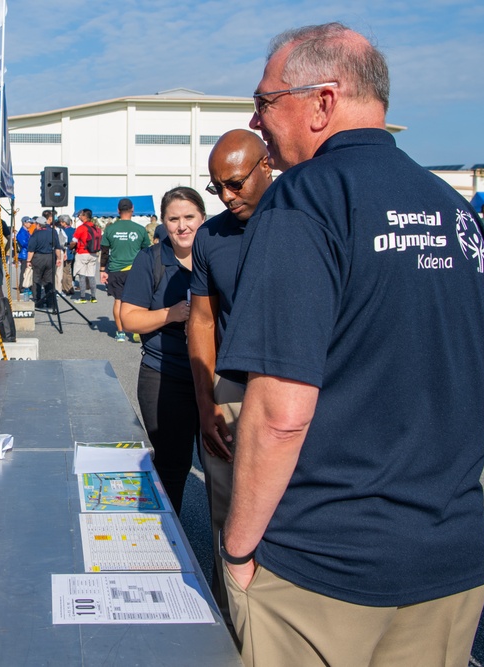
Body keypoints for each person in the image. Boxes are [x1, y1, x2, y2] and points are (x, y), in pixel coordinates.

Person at [217, 23, 484, 666]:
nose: (256, 122)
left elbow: (281, 413)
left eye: (264, 101)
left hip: (323, 568)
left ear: (322, 100)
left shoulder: (305, 200)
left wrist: (236, 546)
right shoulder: (455, 212)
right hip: (449, 556)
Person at [187, 128, 273, 628]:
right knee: (226, 514)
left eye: (236, 183)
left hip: (299, 392)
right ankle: (229, 624)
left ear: (267, 166)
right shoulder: (211, 237)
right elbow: (201, 319)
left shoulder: (301, 222)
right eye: (217, 185)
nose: (226, 195)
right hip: (233, 392)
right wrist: (206, 402)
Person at [120, 187, 206, 514]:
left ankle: (223, 555)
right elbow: (128, 318)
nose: (182, 226)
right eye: (174, 219)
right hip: (164, 376)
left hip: (218, 377)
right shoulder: (151, 259)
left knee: (223, 469)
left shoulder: (220, 253)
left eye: (189, 217)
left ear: (202, 218)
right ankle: (171, 545)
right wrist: (172, 313)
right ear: (163, 223)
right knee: (171, 466)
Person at [101, 198, 151, 342]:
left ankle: (120, 332)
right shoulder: (140, 229)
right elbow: (146, 251)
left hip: (115, 270)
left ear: (118, 211)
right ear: (132, 209)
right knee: (137, 301)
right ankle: (136, 331)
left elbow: (104, 251)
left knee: (118, 301)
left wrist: (102, 271)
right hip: (135, 270)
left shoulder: (110, 229)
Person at [26, 215, 63, 307]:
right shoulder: (53, 232)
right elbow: (57, 247)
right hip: (50, 257)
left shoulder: (36, 233)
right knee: (49, 280)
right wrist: (58, 258)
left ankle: (38, 300)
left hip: (38, 257)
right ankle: (50, 301)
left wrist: (28, 261)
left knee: (37, 279)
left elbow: (31, 249)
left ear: (38, 225)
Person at [71, 209, 101, 302]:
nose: (79, 216)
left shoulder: (81, 228)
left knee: (82, 276)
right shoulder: (97, 228)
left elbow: (74, 241)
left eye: (80, 215)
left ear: (84, 216)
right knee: (91, 275)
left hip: (82, 253)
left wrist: (70, 247)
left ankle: (82, 297)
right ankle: (93, 297)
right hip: (93, 253)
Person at [16, 216, 33, 291]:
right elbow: (24, 243)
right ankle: (22, 287)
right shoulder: (22, 232)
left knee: (27, 271)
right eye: (29, 222)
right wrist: (33, 245)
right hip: (24, 254)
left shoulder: (26, 231)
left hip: (27, 253)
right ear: (24, 223)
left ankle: (26, 285)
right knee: (24, 271)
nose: (30, 224)